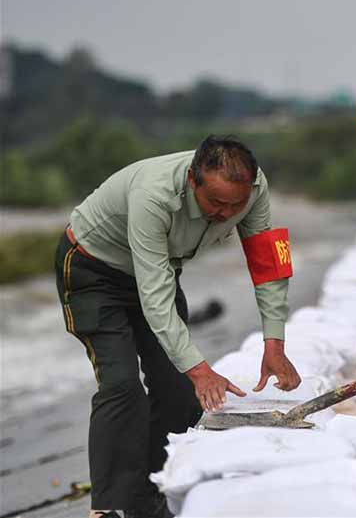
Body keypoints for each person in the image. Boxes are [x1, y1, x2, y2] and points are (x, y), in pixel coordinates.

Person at [54, 136, 302, 518]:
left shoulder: (254, 189)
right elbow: (153, 297)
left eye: (236, 205)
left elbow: (268, 264)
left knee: (179, 394)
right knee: (122, 386)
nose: (226, 213)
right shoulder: (153, 195)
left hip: (158, 272)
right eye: (215, 203)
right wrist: (201, 370)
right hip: (93, 272)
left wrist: (274, 342)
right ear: (192, 180)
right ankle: (109, 508)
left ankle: (149, 495)